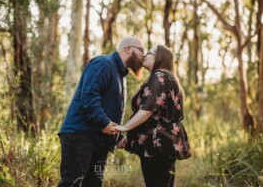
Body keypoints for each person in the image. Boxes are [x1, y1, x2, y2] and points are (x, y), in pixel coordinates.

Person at [57, 37, 145, 187]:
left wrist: (117, 137)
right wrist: (104, 123)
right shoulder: (103, 63)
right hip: (80, 135)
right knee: (72, 183)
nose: (144, 55)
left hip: (100, 140)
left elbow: (109, 110)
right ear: (128, 49)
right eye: (141, 50)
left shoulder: (121, 76)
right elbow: (90, 95)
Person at [114, 44, 191, 187]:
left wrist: (124, 127)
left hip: (157, 144)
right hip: (165, 142)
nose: (144, 55)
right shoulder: (167, 77)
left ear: (158, 58)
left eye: (148, 53)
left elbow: (148, 109)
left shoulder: (159, 76)